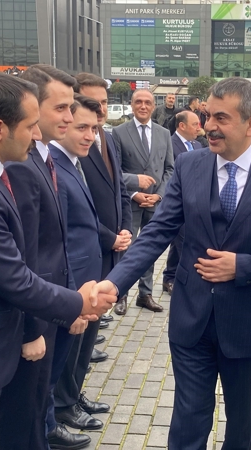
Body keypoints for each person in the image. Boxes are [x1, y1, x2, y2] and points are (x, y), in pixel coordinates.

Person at [90, 77, 251, 449]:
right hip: (191, 317)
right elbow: (158, 231)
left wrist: (243, 266)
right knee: (189, 418)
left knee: (240, 420)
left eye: (221, 118)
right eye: (207, 115)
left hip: (247, 322)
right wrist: (115, 283)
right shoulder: (190, 165)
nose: (208, 125)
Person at [0, 71, 114, 450]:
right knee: (11, 429)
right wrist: (75, 304)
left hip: (12, 325)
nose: (38, 133)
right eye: (31, 125)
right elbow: (14, 273)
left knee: (26, 422)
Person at [0, 64, 90, 450]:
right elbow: (22, 256)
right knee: (23, 415)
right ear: (30, 105)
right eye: (60, 108)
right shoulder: (19, 163)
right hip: (35, 313)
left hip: (53, 306)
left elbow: (54, 241)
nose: (69, 117)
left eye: (71, 108)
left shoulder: (41, 156)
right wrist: (32, 329)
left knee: (38, 403)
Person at [49, 94, 111, 449]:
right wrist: (73, 295)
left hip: (89, 278)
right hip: (72, 284)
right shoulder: (54, 166)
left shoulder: (73, 162)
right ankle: (61, 408)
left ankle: (72, 396)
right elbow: (58, 239)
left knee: (80, 351)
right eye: (82, 127)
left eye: (94, 128)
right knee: (66, 352)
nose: (90, 136)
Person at [75, 73, 133, 316]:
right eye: (93, 102)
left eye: (104, 102)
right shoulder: (74, 144)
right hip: (89, 250)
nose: (100, 108)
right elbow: (76, 208)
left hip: (112, 248)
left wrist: (126, 228)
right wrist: (109, 238)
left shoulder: (107, 137)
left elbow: (119, 188)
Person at [112, 89, 174, 313]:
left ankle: (145, 294)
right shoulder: (118, 132)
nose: (143, 106)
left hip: (155, 202)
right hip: (130, 203)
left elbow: (170, 169)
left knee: (150, 250)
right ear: (132, 105)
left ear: (154, 106)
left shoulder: (163, 133)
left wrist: (159, 195)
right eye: (138, 102)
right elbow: (115, 171)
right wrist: (134, 193)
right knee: (126, 249)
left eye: (148, 102)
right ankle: (121, 293)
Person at [162, 110, 203, 295]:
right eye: (195, 124)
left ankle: (169, 277)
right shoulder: (169, 144)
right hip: (179, 202)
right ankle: (181, 280)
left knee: (178, 242)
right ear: (182, 126)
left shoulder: (197, 145)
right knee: (184, 242)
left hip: (197, 202)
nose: (199, 128)